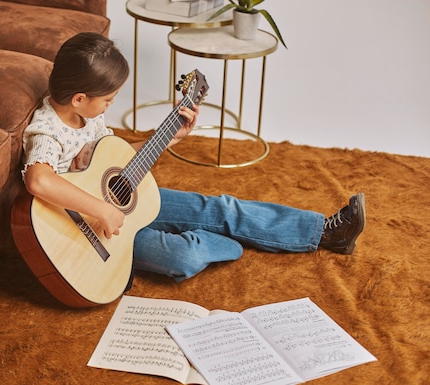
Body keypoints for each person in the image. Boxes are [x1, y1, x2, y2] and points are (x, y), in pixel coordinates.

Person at [21, 32, 366, 282]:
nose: (110, 105)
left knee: (216, 208)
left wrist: (167, 138)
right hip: (87, 232)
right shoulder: (47, 130)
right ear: (79, 98)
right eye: (108, 100)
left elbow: (114, 163)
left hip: (117, 202)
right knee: (182, 255)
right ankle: (234, 241)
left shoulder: (88, 114)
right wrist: (101, 209)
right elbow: (39, 179)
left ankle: (323, 231)